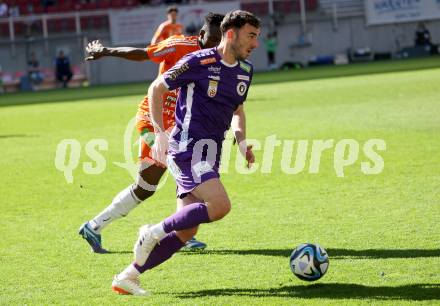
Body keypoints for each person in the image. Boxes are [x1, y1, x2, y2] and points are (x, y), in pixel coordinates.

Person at [112, 10, 260, 296]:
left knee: (187, 231)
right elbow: (157, 88)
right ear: (231, 34)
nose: (255, 43)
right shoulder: (198, 61)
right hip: (187, 147)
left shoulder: (245, 71)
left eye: (257, 37)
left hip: (211, 153)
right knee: (220, 206)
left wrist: (241, 141)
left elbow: (237, 109)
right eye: (251, 36)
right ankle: (152, 233)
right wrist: (160, 134)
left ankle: (128, 276)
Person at [78, 12, 224, 253]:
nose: (215, 45)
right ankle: (174, 232)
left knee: (146, 187)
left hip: (178, 126)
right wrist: (106, 51)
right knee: (183, 171)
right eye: (212, 39)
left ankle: (93, 227)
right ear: (201, 35)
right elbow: (144, 54)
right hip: (152, 120)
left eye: (220, 40)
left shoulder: (218, 59)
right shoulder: (178, 45)